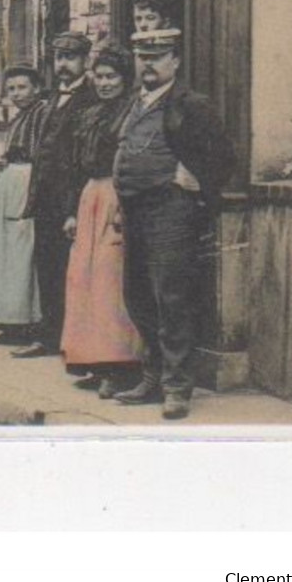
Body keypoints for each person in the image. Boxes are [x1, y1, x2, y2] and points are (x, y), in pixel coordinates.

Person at [113, 28, 235, 420]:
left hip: (171, 211)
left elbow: (224, 155)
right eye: (142, 56)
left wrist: (199, 178)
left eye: (158, 56)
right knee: (138, 295)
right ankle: (152, 376)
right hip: (133, 209)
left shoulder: (191, 104)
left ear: (175, 62)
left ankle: (177, 386)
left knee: (172, 298)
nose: (148, 64)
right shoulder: (134, 103)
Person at [60, 44, 143, 397]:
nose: (105, 83)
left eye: (112, 77)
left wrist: (125, 204)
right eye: (100, 76)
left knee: (110, 284)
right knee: (84, 281)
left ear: (125, 79)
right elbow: (76, 165)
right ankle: (92, 360)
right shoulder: (91, 112)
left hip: (115, 196)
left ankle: (119, 366)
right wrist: (70, 211)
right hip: (89, 196)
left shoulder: (132, 112)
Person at [12, 32, 98, 360]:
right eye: (59, 57)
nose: (63, 64)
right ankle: (50, 334)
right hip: (46, 198)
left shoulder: (91, 98)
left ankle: (73, 338)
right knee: (47, 267)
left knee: (74, 270)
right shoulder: (50, 99)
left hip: (73, 199)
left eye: (71, 57)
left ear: (85, 61)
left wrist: (73, 205)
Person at [0, 65, 49, 346]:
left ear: (37, 88)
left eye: (23, 87)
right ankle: (8, 320)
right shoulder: (18, 117)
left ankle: (26, 320)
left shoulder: (42, 113)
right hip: (11, 179)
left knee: (22, 250)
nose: (17, 94)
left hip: (28, 178)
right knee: (3, 250)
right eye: (12, 89)